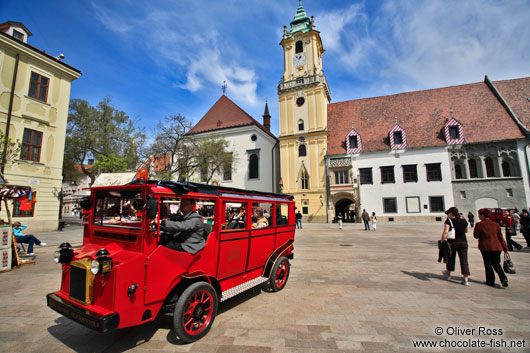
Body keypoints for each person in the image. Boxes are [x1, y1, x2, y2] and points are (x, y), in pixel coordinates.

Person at [473, 208, 509, 287]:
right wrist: (505, 247)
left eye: (479, 214)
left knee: (488, 264)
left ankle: (490, 281)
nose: (478, 216)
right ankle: (503, 278)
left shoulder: (479, 224)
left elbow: (476, 236)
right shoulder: (495, 224)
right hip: (497, 247)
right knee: (496, 263)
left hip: (485, 247)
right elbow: (500, 237)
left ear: (482, 215)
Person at [440, 207, 470, 286]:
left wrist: (442, 241)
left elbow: (446, 232)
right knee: (464, 261)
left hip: (453, 242)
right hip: (463, 242)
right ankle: (466, 279)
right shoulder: (463, 221)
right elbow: (466, 231)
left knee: (450, 258)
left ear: (450, 213)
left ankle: (448, 274)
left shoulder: (449, 221)